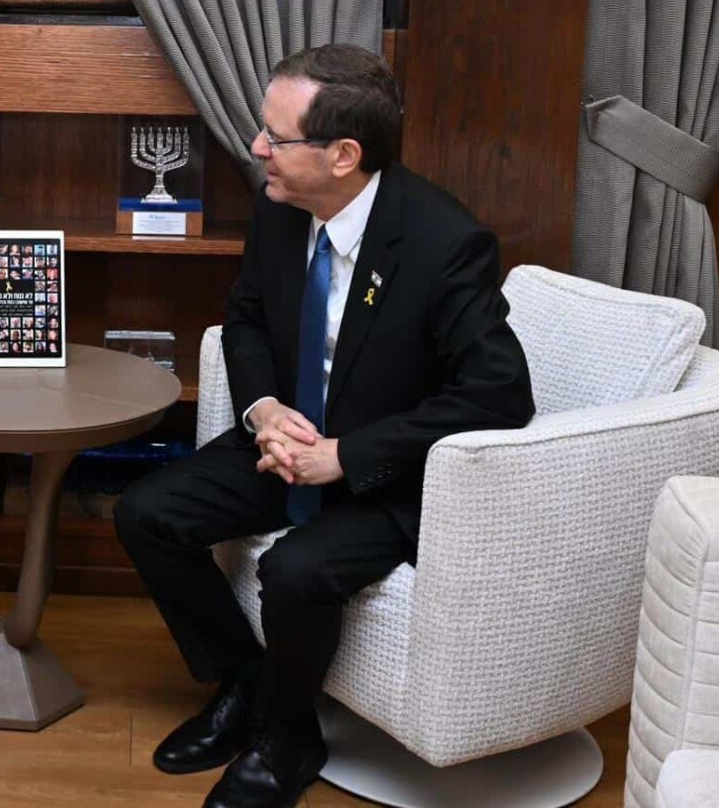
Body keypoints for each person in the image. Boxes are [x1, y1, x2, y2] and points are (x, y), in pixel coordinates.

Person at [114, 44, 534, 808]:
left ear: (344, 155)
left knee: (296, 571)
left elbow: (500, 393)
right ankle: (245, 686)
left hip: (386, 474)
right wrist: (263, 410)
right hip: (286, 442)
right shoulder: (282, 207)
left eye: (276, 136)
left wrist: (347, 456)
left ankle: (289, 737)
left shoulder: (444, 243)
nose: (256, 148)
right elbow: (243, 321)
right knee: (147, 513)